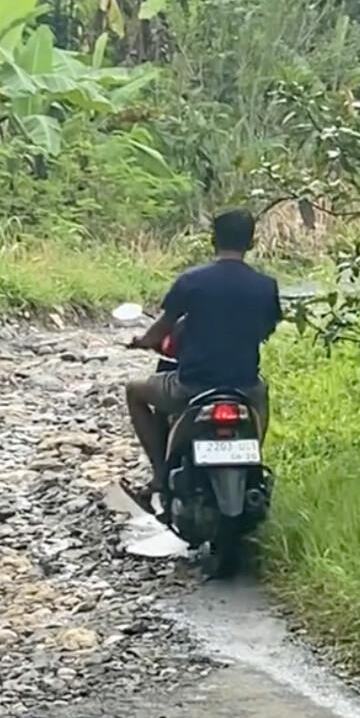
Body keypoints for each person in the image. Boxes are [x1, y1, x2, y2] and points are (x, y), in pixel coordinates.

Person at [123, 209, 281, 509]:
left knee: (135, 390)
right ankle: (252, 462)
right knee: (262, 392)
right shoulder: (266, 285)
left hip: (191, 386)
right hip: (244, 387)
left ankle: (159, 474)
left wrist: (143, 342)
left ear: (213, 240)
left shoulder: (192, 281)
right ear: (251, 242)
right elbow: (266, 329)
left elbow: (163, 327)